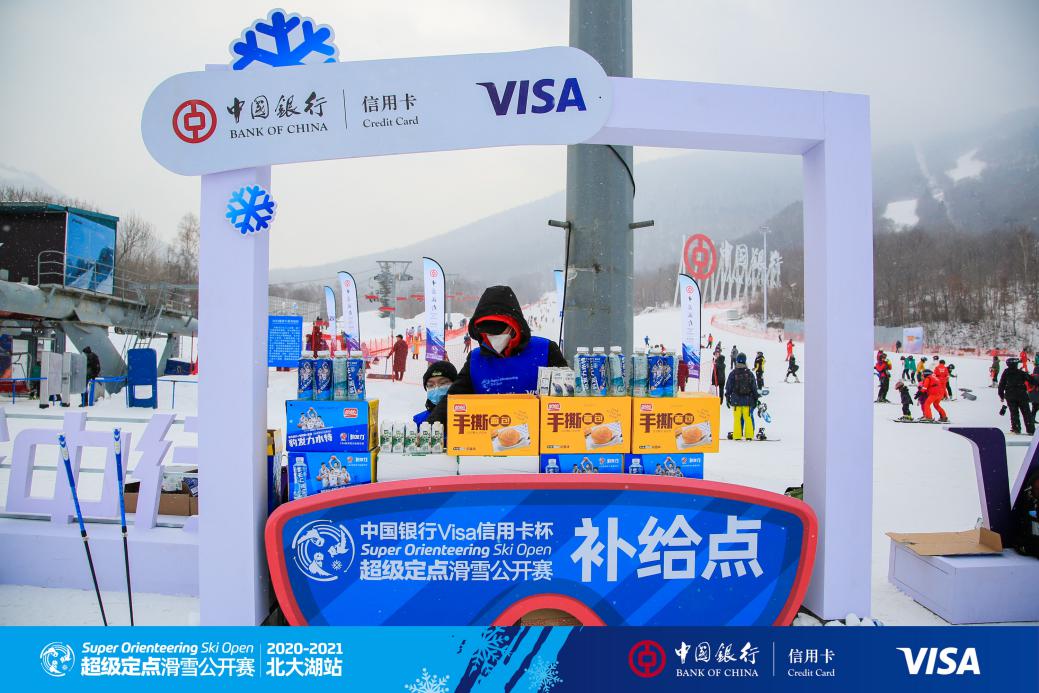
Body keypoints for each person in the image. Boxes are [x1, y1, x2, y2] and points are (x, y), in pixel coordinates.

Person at [428, 286, 567, 426]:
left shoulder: (545, 350)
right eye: (488, 332)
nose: (493, 337)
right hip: (490, 434)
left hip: (538, 433)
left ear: (513, 325)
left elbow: (567, 394)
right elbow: (452, 400)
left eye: (498, 331)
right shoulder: (475, 360)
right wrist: (430, 426)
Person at [998, 357, 1038, 435]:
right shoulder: (1021, 373)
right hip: (1022, 395)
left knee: (1014, 413)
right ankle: (1031, 430)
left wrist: (1001, 395)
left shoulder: (1006, 373)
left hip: (1010, 396)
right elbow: (1032, 381)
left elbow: (1001, 385)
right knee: (1026, 413)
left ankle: (1016, 428)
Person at [725, 353, 759, 441]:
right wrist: (756, 398)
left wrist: (727, 397)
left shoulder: (733, 373)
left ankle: (737, 435)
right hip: (747, 400)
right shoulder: (749, 373)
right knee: (747, 418)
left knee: (737, 419)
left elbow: (728, 386)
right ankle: (749, 435)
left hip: (736, 400)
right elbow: (754, 387)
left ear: (737, 361)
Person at [414, 360, 457, 426]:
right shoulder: (419, 421)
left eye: (443, 383)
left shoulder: (467, 417)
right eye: (431, 385)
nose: (437, 389)